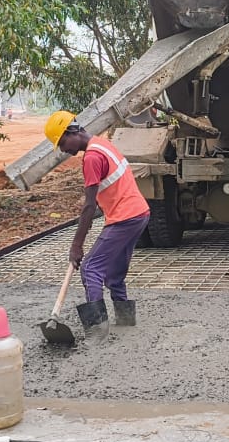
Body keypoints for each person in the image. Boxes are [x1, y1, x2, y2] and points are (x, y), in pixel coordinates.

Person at [45, 111, 151, 343]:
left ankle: (97, 331)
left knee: (90, 268)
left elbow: (89, 206)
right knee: (114, 273)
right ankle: (125, 320)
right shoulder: (102, 144)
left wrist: (76, 246)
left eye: (62, 143)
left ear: (72, 131)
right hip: (139, 214)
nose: (63, 150)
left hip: (124, 218)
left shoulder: (92, 158)